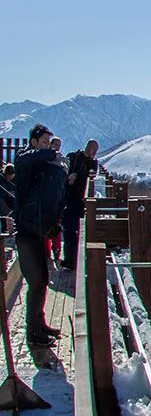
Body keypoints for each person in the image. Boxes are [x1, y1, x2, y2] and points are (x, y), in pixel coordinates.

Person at [13, 124, 66, 347]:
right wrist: (50, 153)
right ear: (33, 142)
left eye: (49, 142)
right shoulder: (25, 159)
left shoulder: (40, 165)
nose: (47, 147)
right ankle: (33, 333)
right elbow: (26, 159)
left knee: (42, 280)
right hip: (26, 232)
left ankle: (40, 323)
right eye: (43, 142)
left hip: (37, 231)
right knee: (35, 282)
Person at [61, 139, 99, 269]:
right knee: (69, 230)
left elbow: (91, 176)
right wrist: (68, 178)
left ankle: (76, 260)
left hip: (81, 201)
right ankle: (69, 260)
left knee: (79, 231)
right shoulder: (73, 157)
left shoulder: (93, 163)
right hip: (69, 199)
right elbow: (62, 172)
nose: (92, 153)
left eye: (94, 151)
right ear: (86, 147)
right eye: (91, 149)